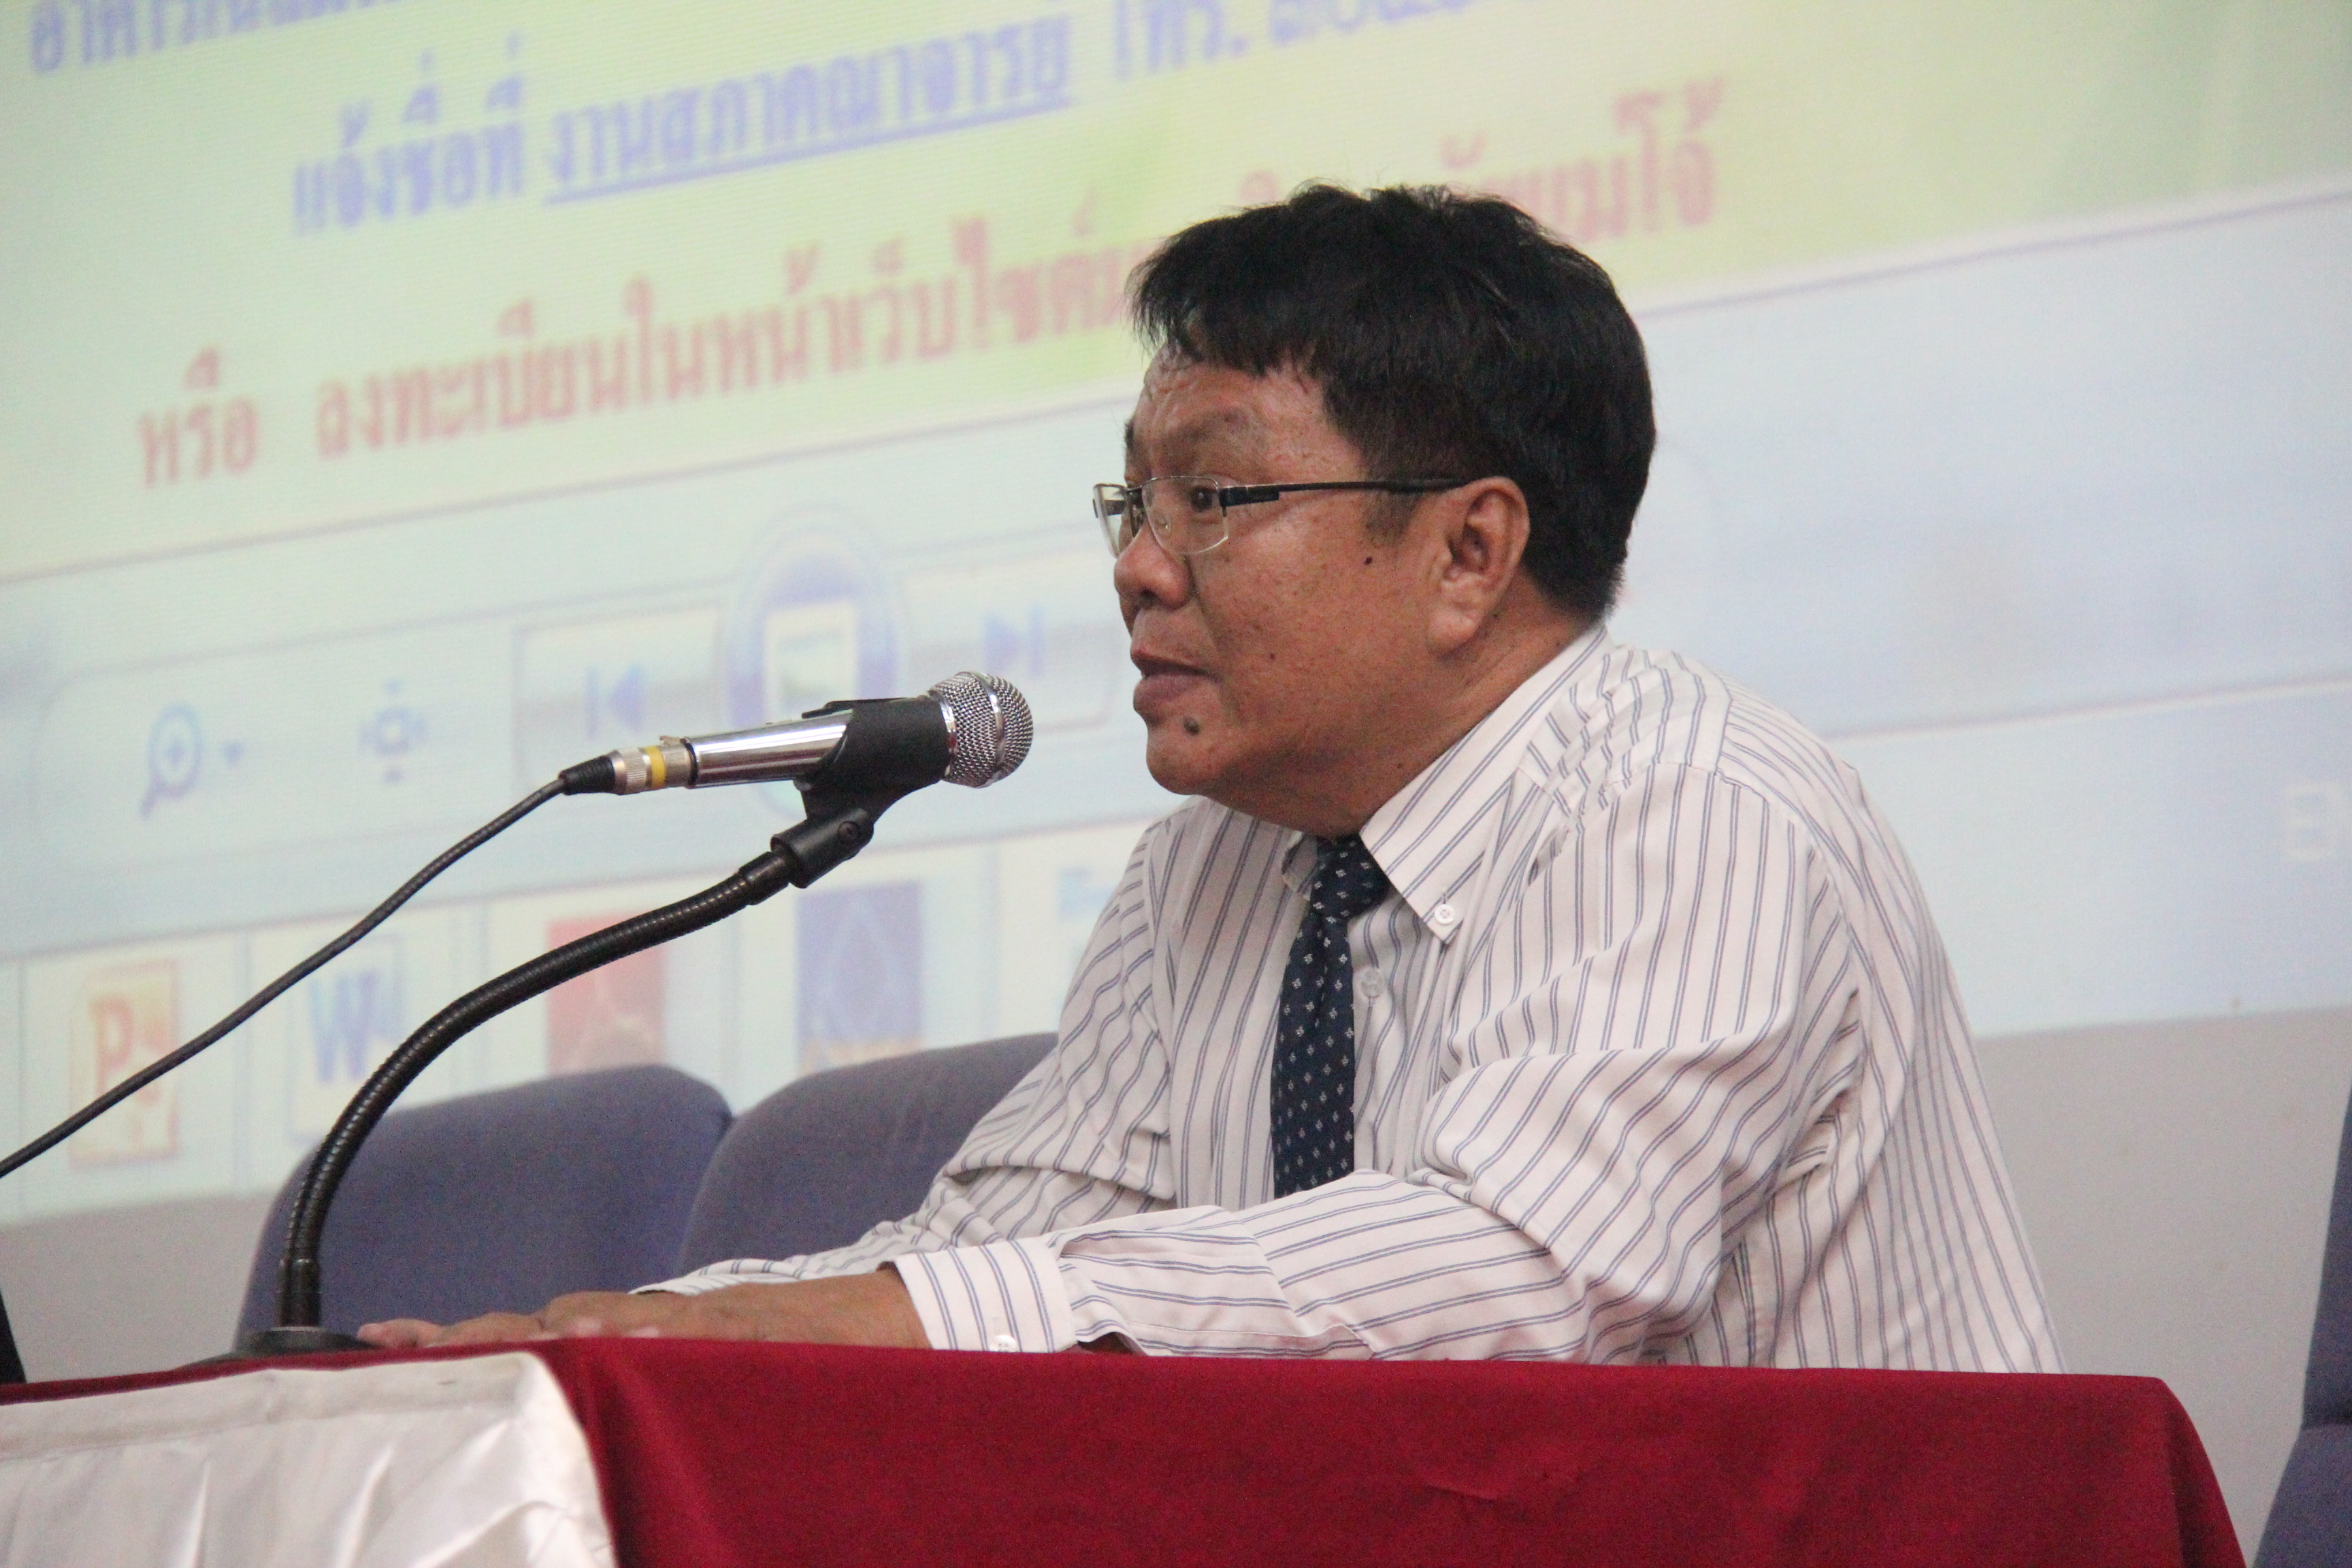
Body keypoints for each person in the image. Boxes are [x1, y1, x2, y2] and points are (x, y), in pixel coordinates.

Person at [362, 184, 2059, 1368]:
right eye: (1133, 502)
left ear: (1472, 553)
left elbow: (1522, 1277)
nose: (1139, 567)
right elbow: (1001, 1249)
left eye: (1219, 500)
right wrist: (616, 1342)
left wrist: (853, 1326)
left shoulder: (1698, 800)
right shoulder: (1219, 868)